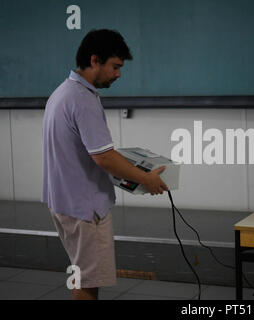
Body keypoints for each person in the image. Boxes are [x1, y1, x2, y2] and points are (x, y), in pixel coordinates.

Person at [42, 29, 168, 300]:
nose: (118, 74)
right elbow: (104, 157)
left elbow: (91, 153)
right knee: (88, 283)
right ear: (95, 60)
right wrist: (146, 179)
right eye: (115, 66)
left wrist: (127, 167)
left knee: (81, 273)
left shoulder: (61, 93)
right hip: (85, 210)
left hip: (64, 203)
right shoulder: (83, 99)